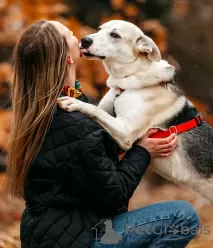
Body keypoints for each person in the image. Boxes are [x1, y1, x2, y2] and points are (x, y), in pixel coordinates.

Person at [6, 20, 200, 248]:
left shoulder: (50, 107)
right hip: (80, 240)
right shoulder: (71, 119)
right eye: (70, 35)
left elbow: (87, 159)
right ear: (68, 57)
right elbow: (114, 195)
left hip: (55, 234)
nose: (81, 37)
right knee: (183, 216)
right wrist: (142, 152)